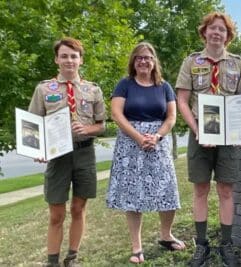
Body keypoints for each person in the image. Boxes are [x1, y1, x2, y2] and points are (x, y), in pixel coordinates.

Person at [176, 11, 241, 267]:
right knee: (200, 189)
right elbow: (182, 101)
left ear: (228, 36)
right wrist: (198, 130)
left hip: (228, 137)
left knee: (226, 190)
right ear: (204, 32)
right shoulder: (191, 62)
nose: (217, 33)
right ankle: (202, 246)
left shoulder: (238, 64)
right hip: (200, 134)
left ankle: (226, 245)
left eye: (222, 29)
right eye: (212, 28)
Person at [28, 37, 106, 267]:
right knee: (56, 213)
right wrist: (38, 148)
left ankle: (72, 258)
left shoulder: (93, 89)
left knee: (78, 209)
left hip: (84, 154)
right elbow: (32, 124)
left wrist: (88, 128)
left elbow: (102, 126)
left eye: (73, 56)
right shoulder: (44, 89)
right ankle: (52, 262)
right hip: (57, 156)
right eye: (64, 56)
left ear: (80, 60)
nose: (69, 60)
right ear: (56, 59)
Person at [106, 42, 185, 264]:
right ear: (133, 61)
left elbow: (171, 117)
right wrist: (138, 137)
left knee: (167, 190)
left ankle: (166, 235)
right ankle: (137, 246)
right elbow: (116, 114)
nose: (143, 61)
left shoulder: (164, 86)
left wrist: (157, 136)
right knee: (133, 195)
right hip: (130, 145)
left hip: (158, 144)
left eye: (148, 57)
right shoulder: (125, 85)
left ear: (154, 62)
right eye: (139, 57)